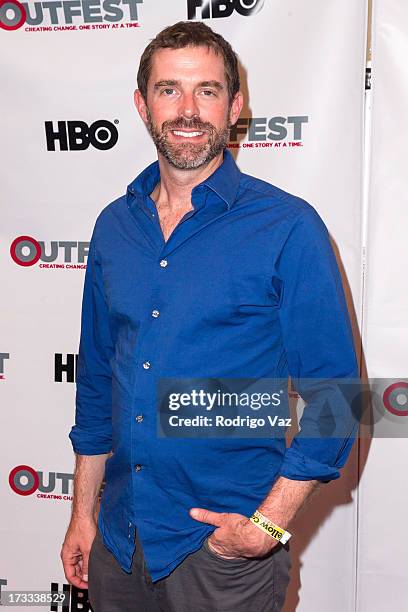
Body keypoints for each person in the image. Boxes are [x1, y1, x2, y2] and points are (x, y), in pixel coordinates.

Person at [61, 20, 359, 612]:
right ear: (142, 105)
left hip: (222, 551)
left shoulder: (287, 227)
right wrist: (82, 515)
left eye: (208, 91)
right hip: (120, 542)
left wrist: (265, 528)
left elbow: (339, 398)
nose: (188, 110)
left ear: (235, 105)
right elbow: (96, 385)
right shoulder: (113, 227)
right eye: (170, 90)